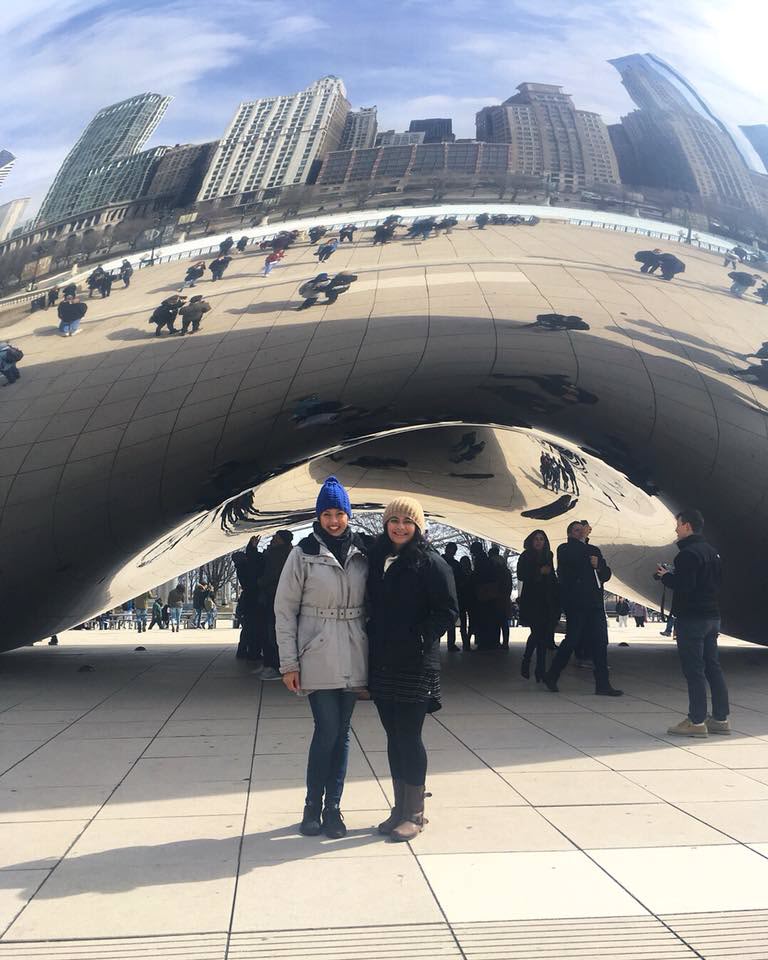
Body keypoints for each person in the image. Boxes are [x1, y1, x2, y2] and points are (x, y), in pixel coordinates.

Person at [275, 477, 368, 839]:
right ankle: (312, 805)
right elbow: (284, 610)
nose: (333, 521)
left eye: (339, 513)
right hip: (317, 650)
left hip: (355, 648)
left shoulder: (363, 551)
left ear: (348, 515)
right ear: (318, 516)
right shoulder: (303, 554)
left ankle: (333, 809)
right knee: (327, 729)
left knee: (342, 733)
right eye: (327, 514)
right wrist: (289, 663)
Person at [368, 497, 457, 842]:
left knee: (409, 735)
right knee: (392, 737)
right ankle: (399, 808)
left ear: (418, 527)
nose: (400, 527)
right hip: (383, 661)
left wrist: (420, 637)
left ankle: (415, 813)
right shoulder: (379, 561)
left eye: (407, 521)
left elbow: (447, 611)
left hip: (415, 663)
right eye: (394, 520)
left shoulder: (431, 564)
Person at [655, 509, 730, 737]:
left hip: (692, 618)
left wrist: (665, 577)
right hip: (712, 616)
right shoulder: (712, 552)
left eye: (678, 524)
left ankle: (696, 721)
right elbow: (715, 583)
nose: (676, 529)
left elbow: (685, 586)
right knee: (712, 667)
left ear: (687, 526)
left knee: (694, 669)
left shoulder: (687, 554)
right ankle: (720, 718)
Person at [543, 521, 623, 696]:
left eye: (582, 530)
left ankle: (603, 683)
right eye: (577, 530)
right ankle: (552, 675)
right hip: (577, 603)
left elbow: (606, 574)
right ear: (570, 534)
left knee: (600, 641)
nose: (581, 532)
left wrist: (599, 565)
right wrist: (585, 544)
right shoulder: (565, 549)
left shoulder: (594, 550)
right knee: (572, 639)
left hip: (594, 603)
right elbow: (572, 558)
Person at [517, 530, 560, 681]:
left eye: (541, 539)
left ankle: (540, 670)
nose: (539, 542)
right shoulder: (526, 555)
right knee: (536, 633)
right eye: (536, 539)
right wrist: (539, 571)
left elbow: (552, 575)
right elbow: (521, 574)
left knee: (543, 637)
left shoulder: (548, 555)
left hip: (547, 600)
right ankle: (526, 660)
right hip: (532, 600)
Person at [254, 529, 294, 679]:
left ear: (281, 540)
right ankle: (273, 664)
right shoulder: (287, 553)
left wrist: (261, 582)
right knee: (274, 630)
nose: (272, 540)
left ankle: (275, 665)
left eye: (276, 538)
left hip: (274, 596)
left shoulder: (278, 554)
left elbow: (272, 574)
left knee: (273, 631)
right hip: (277, 596)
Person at [233, 536, 267, 661]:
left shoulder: (241, 568)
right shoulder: (247, 569)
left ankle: (243, 650)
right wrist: (252, 548)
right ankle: (253, 652)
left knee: (247, 629)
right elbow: (254, 563)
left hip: (247, 602)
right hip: (253, 602)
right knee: (253, 629)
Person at [469, 541, 500, 650]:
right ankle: (489, 641)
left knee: (483, 618)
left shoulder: (480, 559)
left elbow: (479, 576)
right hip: (487, 592)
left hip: (483, 592)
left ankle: (484, 642)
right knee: (488, 618)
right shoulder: (485, 559)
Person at [442, 543, 463, 651]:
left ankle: (436, 643)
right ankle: (451, 643)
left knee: (448, 620)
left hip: (442, 594)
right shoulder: (455, 564)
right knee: (450, 620)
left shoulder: (440, 561)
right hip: (450, 594)